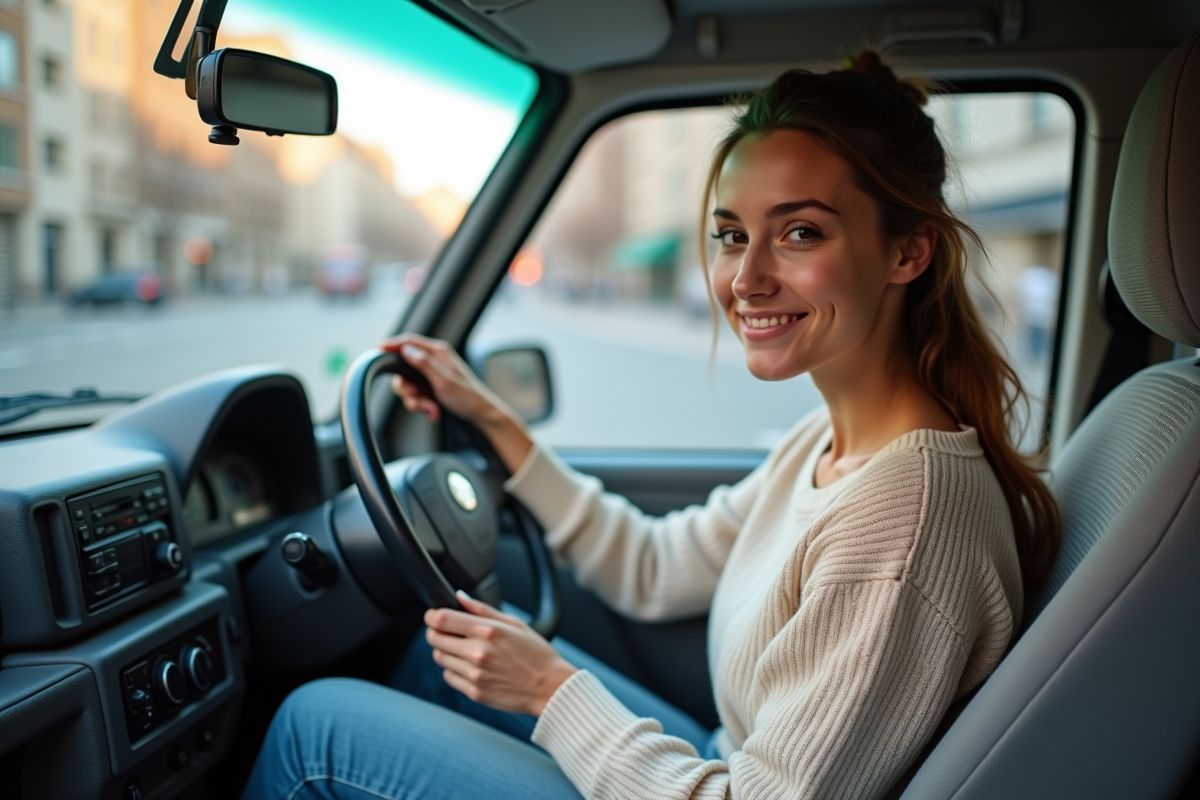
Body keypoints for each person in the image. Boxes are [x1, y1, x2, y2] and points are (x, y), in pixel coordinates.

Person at [243, 51, 1060, 800]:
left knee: (316, 730)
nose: (746, 278)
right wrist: (491, 417)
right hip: (711, 757)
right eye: (732, 235)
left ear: (907, 253)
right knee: (439, 656)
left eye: (801, 232)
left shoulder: (904, 522)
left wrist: (549, 690)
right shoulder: (827, 443)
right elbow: (653, 566)